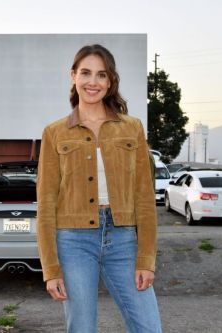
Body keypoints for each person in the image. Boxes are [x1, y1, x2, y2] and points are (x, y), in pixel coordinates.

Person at [37, 44, 162, 332]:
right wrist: (51, 268)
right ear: (73, 76)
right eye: (86, 73)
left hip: (123, 239)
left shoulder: (132, 128)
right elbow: (45, 203)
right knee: (81, 327)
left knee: (148, 326)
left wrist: (146, 258)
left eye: (101, 75)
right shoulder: (54, 133)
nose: (93, 82)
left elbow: (144, 196)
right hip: (73, 242)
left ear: (110, 81)